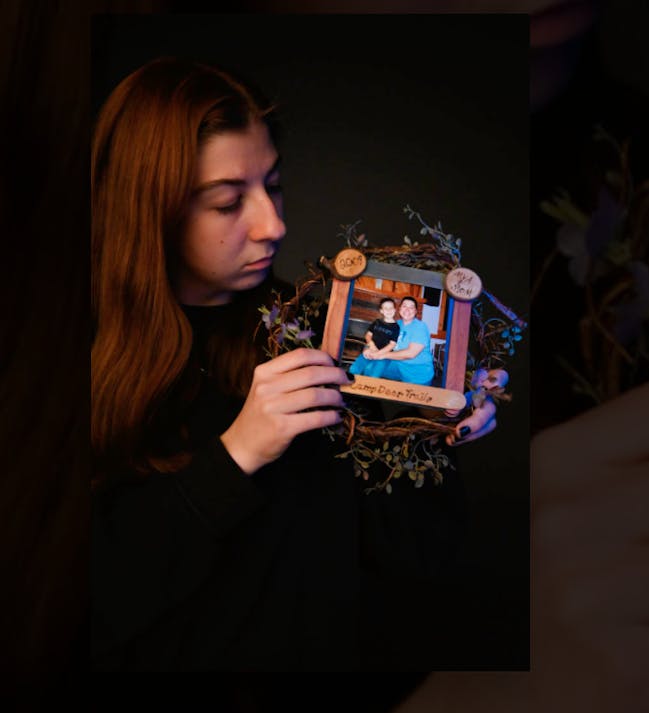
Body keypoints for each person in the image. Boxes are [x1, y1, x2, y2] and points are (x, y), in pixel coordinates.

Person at [90, 58, 501, 671]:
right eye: (229, 202)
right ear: (153, 208)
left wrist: (425, 431)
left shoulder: (322, 330)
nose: (273, 225)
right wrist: (236, 455)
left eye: (274, 185)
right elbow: (91, 608)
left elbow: (418, 564)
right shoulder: (66, 361)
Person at [365, 296, 435, 386]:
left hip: (417, 373)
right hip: (398, 365)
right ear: (399, 309)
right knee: (369, 367)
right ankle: (368, 392)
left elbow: (411, 353)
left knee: (408, 398)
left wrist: (381, 355)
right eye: (404, 306)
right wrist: (369, 348)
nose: (407, 309)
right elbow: (377, 340)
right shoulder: (396, 324)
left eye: (411, 307)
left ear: (416, 311)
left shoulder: (420, 327)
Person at [349, 296, 399, 379]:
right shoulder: (377, 322)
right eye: (386, 308)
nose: (389, 310)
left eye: (391, 308)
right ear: (381, 311)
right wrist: (371, 345)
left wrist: (378, 353)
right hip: (371, 349)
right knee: (354, 369)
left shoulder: (396, 327)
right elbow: (368, 335)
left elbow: (392, 345)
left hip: (384, 355)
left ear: (394, 310)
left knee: (374, 375)